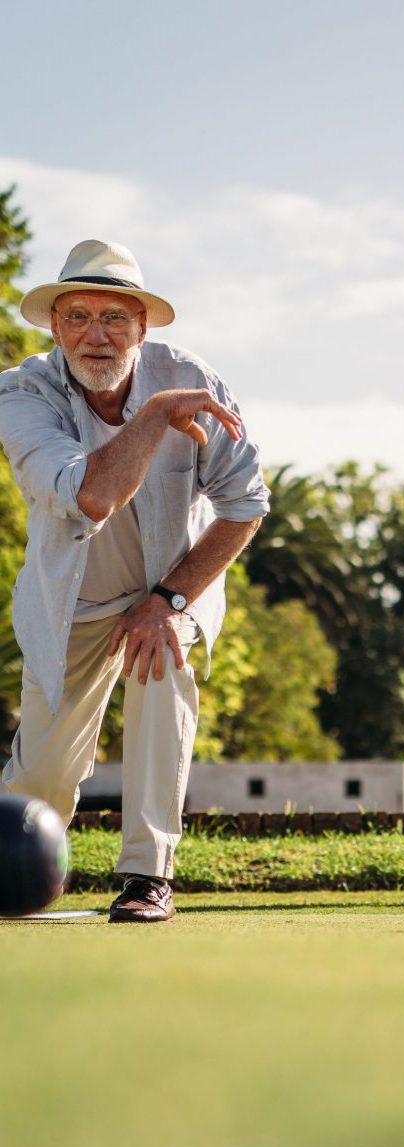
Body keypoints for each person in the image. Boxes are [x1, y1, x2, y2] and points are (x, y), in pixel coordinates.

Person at [0, 239, 269, 922]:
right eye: (80, 316)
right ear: (55, 327)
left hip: (167, 584)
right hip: (73, 600)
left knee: (163, 660)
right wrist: (153, 417)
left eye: (116, 318)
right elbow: (91, 496)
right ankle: (13, 872)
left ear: (142, 329)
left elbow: (246, 502)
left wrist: (171, 597)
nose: (98, 334)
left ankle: (148, 875)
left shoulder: (195, 378)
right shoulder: (22, 393)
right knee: (42, 781)